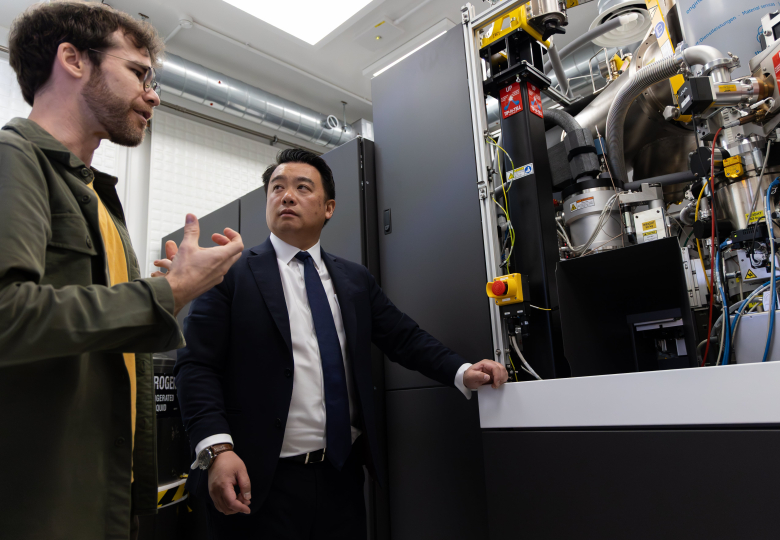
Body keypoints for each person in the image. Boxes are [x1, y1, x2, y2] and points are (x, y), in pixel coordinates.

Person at [0, 3, 244, 539]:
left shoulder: (97, 198)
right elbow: (7, 314)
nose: (152, 94)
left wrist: (166, 294)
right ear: (73, 59)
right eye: (138, 72)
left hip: (104, 494)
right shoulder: (13, 158)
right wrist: (166, 292)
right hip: (41, 504)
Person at [174, 149, 508, 539]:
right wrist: (217, 450)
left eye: (302, 187)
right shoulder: (231, 274)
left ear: (328, 207)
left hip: (342, 478)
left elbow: (403, 336)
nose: (286, 196)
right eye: (277, 188)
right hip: (258, 482)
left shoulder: (353, 279)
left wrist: (462, 371)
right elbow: (196, 365)